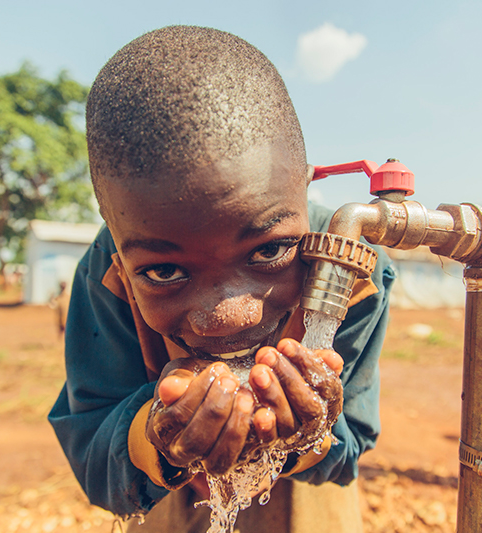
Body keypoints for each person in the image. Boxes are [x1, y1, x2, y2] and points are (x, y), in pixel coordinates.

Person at [48, 26, 394, 533]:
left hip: (303, 502)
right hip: (169, 499)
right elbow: (93, 449)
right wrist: (156, 436)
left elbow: (351, 443)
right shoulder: (107, 274)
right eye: (164, 272)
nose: (228, 317)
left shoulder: (353, 269)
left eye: (270, 250)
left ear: (304, 181)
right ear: (115, 230)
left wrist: (310, 433)